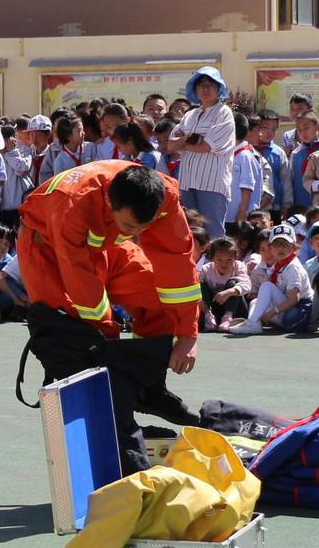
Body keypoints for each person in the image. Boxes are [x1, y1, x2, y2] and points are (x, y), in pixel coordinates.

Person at [18, 160, 201, 471]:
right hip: (48, 250)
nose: (139, 234)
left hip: (105, 244)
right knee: (72, 334)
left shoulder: (163, 197)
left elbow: (178, 265)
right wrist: (108, 344)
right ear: (107, 200)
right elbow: (79, 282)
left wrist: (187, 334)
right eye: (131, 226)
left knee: (159, 298)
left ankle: (149, 388)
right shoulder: (71, 204)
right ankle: (109, 418)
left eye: (144, 227)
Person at [169, 67, 234, 232]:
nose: (206, 89)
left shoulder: (223, 112)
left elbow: (206, 146)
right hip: (187, 182)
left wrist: (184, 141)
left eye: (211, 85)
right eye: (201, 85)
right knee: (191, 232)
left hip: (211, 184)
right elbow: (170, 145)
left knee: (213, 234)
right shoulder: (189, 115)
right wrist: (190, 139)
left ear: (219, 88)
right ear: (195, 89)